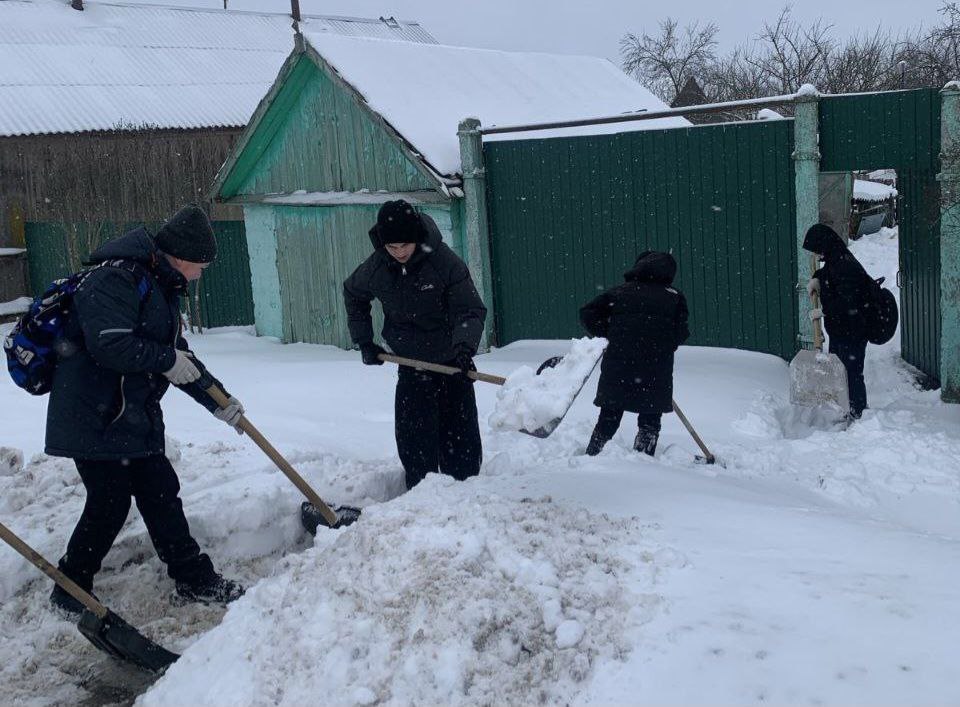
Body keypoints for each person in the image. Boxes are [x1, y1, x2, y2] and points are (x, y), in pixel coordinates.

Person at [46, 205, 245, 614]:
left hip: (131, 416)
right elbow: (110, 344)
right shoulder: (114, 278)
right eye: (202, 266)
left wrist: (219, 402)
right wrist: (167, 360)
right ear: (182, 256)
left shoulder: (158, 285)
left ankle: (192, 577)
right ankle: (70, 588)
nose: (201, 274)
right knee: (109, 503)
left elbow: (177, 356)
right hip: (96, 416)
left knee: (161, 492)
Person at [343, 200, 487, 490]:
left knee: (460, 448)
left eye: (404, 245)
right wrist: (365, 341)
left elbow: (469, 310)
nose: (399, 253)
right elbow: (353, 293)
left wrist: (463, 349)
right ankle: (420, 500)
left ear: (416, 238)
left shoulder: (444, 263)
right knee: (415, 445)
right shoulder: (378, 266)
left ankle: (466, 497)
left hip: (451, 366)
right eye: (392, 247)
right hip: (410, 367)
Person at [579, 251, 689, 456]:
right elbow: (681, 332)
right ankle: (643, 461)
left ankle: (593, 455)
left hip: (618, 368)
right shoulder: (674, 297)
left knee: (609, 417)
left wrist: (610, 333)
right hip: (655, 370)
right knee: (649, 422)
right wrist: (662, 344)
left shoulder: (620, 292)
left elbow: (588, 313)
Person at [802, 223, 873, 419]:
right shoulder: (835, 259)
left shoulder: (845, 264)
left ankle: (858, 413)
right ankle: (847, 410)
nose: (816, 254)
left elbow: (848, 301)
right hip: (841, 330)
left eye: (816, 249)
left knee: (851, 372)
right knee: (840, 371)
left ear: (824, 244)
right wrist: (817, 278)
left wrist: (823, 311)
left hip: (854, 330)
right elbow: (828, 274)